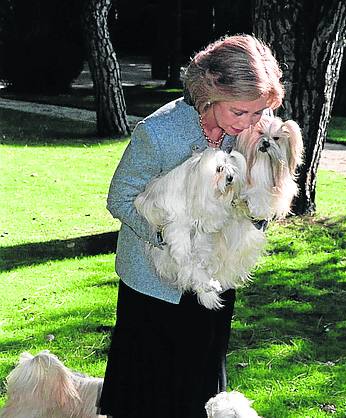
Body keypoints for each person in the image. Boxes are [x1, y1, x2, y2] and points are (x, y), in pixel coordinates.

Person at [98, 34, 284, 418]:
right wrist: (171, 239)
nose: (251, 123)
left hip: (216, 279)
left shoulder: (251, 130)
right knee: (149, 396)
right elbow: (119, 198)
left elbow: (261, 192)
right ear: (210, 92)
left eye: (257, 113)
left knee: (201, 392)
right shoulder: (158, 133)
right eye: (240, 112)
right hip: (153, 287)